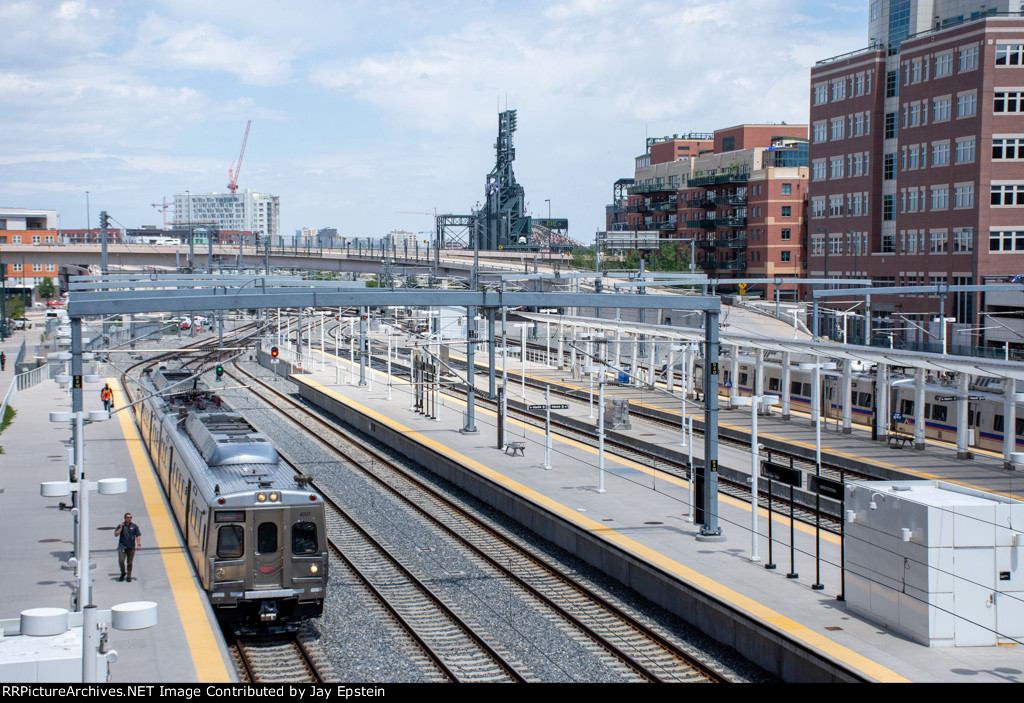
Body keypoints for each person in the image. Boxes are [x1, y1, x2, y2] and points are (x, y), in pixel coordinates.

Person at [114, 512, 142, 582]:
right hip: (122, 547)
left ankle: (129, 575)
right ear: (125, 518)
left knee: (129, 562)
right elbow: (116, 534)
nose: (129, 519)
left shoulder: (134, 526)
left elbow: (138, 535)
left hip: (131, 547)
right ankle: (123, 572)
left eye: (130, 518)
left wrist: (138, 544)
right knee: (121, 560)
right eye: (128, 518)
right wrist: (120, 528)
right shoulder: (121, 525)